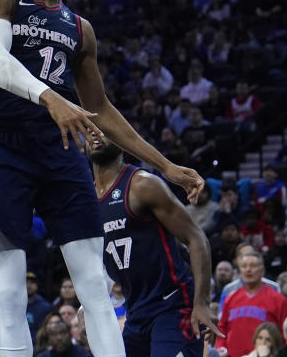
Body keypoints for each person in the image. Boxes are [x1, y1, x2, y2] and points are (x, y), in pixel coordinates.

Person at [0, 0, 203, 357]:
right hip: (1, 145)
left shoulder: (80, 29)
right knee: (11, 287)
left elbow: (101, 110)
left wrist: (166, 165)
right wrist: (50, 99)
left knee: (94, 283)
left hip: (57, 149)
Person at [86, 138, 220, 357]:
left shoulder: (142, 184)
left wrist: (202, 302)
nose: (95, 134)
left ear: (120, 137)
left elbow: (196, 238)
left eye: (102, 127)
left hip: (173, 305)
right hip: (135, 310)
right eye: (88, 129)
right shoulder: (87, 199)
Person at [216, 252, 287, 357]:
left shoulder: (278, 299)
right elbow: (221, 327)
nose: (248, 270)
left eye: (253, 266)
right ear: (240, 271)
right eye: (244, 266)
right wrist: (220, 347)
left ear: (262, 271)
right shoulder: (231, 298)